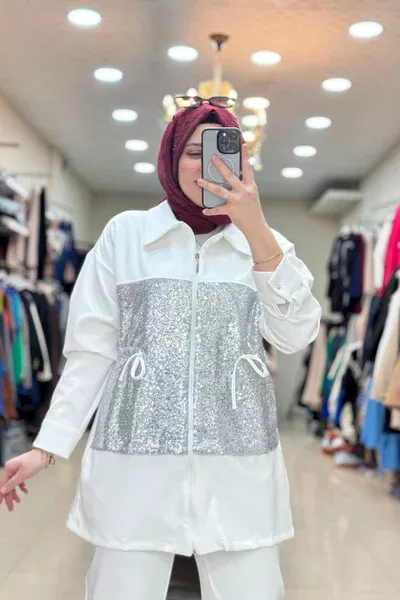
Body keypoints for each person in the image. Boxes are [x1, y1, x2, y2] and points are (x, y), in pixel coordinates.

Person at [0, 100, 321, 599]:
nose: (208, 165)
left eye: (224, 152)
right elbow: (91, 353)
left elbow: (296, 335)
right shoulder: (126, 235)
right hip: (134, 465)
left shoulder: (265, 243)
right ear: (170, 159)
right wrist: (47, 446)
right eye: (193, 152)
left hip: (238, 468)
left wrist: (256, 230)